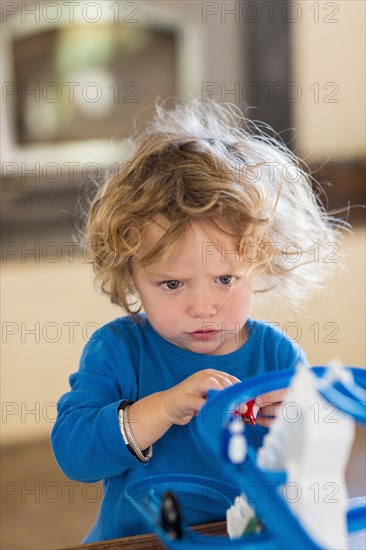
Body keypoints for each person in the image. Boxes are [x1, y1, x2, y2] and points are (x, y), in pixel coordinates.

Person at [51, 98, 342, 543]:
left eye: (225, 278)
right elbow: (75, 454)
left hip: (247, 538)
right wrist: (163, 408)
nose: (204, 307)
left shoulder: (277, 354)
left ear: (259, 262)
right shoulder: (118, 350)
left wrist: (302, 423)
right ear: (130, 275)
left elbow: (316, 471)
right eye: (172, 284)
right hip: (139, 539)